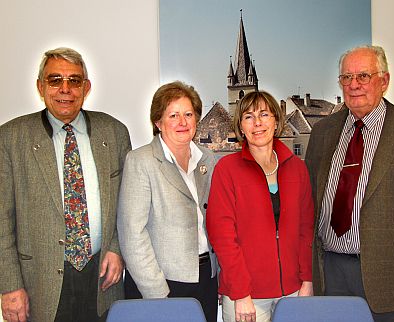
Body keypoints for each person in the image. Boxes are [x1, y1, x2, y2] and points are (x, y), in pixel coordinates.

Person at [305, 45, 394, 322]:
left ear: (384, 81)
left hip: (392, 277)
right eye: (346, 78)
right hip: (330, 271)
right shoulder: (322, 132)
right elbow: (309, 205)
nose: (354, 85)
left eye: (363, 76)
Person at [0, 47, 131, 322]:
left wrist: (117, 249)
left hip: (102, 279)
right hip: (39, 283)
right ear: (40, 86)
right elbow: (1, 220)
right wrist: (10, 287)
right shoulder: (11, 138)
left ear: (86, 87)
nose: (65, 89)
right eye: (55, 79)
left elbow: (127, 205)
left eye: (74, 80)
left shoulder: (115, 133)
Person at [207, 91, 314, 322]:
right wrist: (241, 293)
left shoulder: (297, 168)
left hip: (294, 292)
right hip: (247, 297)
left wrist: (307, 280)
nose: (257, 122)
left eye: (264, 114)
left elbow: (306, 231)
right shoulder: (227, 170)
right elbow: (222, 236)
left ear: (276, 121)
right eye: (248, 117)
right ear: (240, 127)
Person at [117, 81, 218, 322]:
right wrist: (157, 293)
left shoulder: (209, 160)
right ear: (158, 122)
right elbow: (132, 234)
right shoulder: (141, 161)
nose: (182, 122)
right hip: (162, 284)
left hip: (206, 279)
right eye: (173, 115)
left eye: (188, 114)